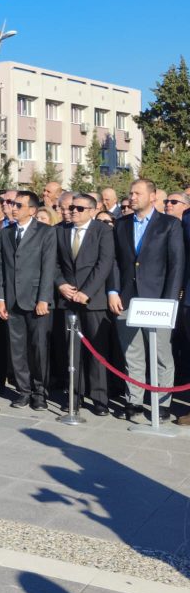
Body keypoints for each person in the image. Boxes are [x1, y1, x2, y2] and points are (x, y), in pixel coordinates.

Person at [111, 179, 185, 423]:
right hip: (127, 299)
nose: (131, 197)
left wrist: (170, 301)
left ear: (152, 197)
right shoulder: (121, 225)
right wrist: (113, 291)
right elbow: (115, 262)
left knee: (162, 354)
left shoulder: (169, 224)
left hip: (157, 301)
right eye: (130, 193)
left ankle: (162, 403)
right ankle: (134, 400)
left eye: (137, 193)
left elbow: (176, 265)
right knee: (133, 353)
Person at [0, 190, 57, 410]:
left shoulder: (46, 232)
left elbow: (49, 268)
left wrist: (44, 299)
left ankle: (40, 392)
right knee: (17, 349)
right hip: (12, 300)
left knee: (38, 348)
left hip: (35, 299)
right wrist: (0, 298)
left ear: (32, 210)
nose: (12, 208)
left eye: (18, 205)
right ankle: (23, 391)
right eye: (12, 204)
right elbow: (0, 267)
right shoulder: (5, 233)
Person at [55, 192, 115, 416]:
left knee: (97, 351)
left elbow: (105, 263)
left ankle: (100, 398)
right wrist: (61, 284)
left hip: (94, 300)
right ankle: (74, 394)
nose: (73, 211)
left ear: (91, 211)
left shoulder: (103, 231)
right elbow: (54, 263)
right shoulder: (60, 231)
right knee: (72, 351)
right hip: (68, 299)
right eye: (72, 208)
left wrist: (87, 292)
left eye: (79, 208)